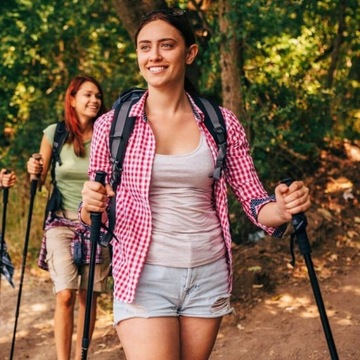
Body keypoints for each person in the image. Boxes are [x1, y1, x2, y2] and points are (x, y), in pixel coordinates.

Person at [80, 9, 311, 360]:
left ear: (189, 53)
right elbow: (92, 216)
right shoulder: (113, 126)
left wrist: (282, 207)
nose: (153, 55)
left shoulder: (221, 123)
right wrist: (89, 205)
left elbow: (253, 199)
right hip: (143, 276)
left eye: (166, 45)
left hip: (208, 273)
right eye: (145, 47)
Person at [27, 74, 110, 360]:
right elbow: (39, 179)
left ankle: (81, 358)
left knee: (89, 298)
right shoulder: (54, 133)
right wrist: (33, 171)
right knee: (65, 294)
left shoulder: (108, 135)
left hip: (97, 224)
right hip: (61, 222)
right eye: (87, 95)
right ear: (72, 100)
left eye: (97, 95)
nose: (94, 100)